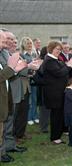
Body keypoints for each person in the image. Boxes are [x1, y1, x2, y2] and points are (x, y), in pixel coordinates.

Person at [43, 41, 72, 144]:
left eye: (60, 49)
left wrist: (67, 64)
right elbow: (59, 73)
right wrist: (69, 65)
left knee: (59, 114)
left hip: (58, 91)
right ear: (51, 49)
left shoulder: (54, 59)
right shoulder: (49, 60)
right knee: (56, 115)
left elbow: (61, 70)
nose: (59, 51)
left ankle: (61, 131)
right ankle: (55, 137)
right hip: (54, 93)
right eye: (57, 49)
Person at [0, 31, 27, 163]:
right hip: (4, 94)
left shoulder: (4, 53)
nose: (8, 43)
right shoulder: (4, 54)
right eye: (5, 41)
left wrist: (16, 68)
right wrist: (12, 68)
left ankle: (6, 149)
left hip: (7, 93)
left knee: (6, 125)